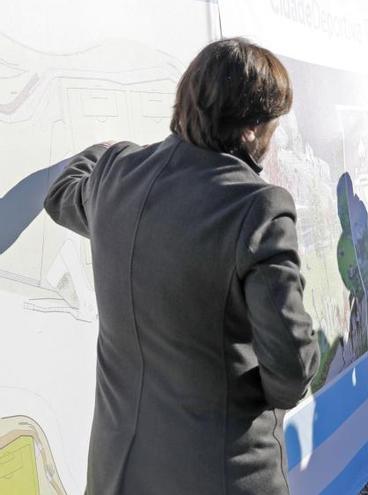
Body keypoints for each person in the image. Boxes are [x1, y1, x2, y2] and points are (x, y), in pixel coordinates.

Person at [42, 38, 318, 494]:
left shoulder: (114, 175)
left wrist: (107, 150)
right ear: (251, 128)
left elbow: (60, 194)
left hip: (117, 470)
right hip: (222, 472)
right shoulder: (257, 206)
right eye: (273, 123)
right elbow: (290, 373)